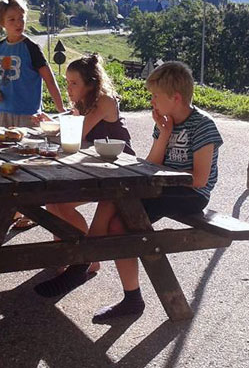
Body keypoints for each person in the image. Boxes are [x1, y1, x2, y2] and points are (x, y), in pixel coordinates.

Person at [90, 61, 223, 322]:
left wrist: (159, 181)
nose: (152, 101)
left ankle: (83, 258)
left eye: (155, 96)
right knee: (118, 221)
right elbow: (151, 164)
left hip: (190, 196)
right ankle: (132, 299)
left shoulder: (203, 126)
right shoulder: (165, 122)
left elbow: (199, 179)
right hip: (162, 189)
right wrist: (163, 134)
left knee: (123, 202)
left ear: (175, 98)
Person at [32, 54, 135, 297]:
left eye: (73, 83)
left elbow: (77, 133)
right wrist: (50, 123)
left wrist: (58, 128)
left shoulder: (104, 101)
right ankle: (65, 255)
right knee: (52, 200)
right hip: (93, 166)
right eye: (66, 82)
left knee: (63, 204)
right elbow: (70, 127)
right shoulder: (83, 103)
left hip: (119, 169)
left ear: (91, 83)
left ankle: (87, 260)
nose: (68, 88)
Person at [0, 0, 65, 229]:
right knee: (5, 159)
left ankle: (31, 211)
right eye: (12, 19)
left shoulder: (31, 47)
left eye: (21, 17)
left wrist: (61, 108)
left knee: (29, 164)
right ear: (2, 23)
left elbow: (49, 79)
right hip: (5, 113)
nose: (18, 22)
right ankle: (12, 207)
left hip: (28, 114)